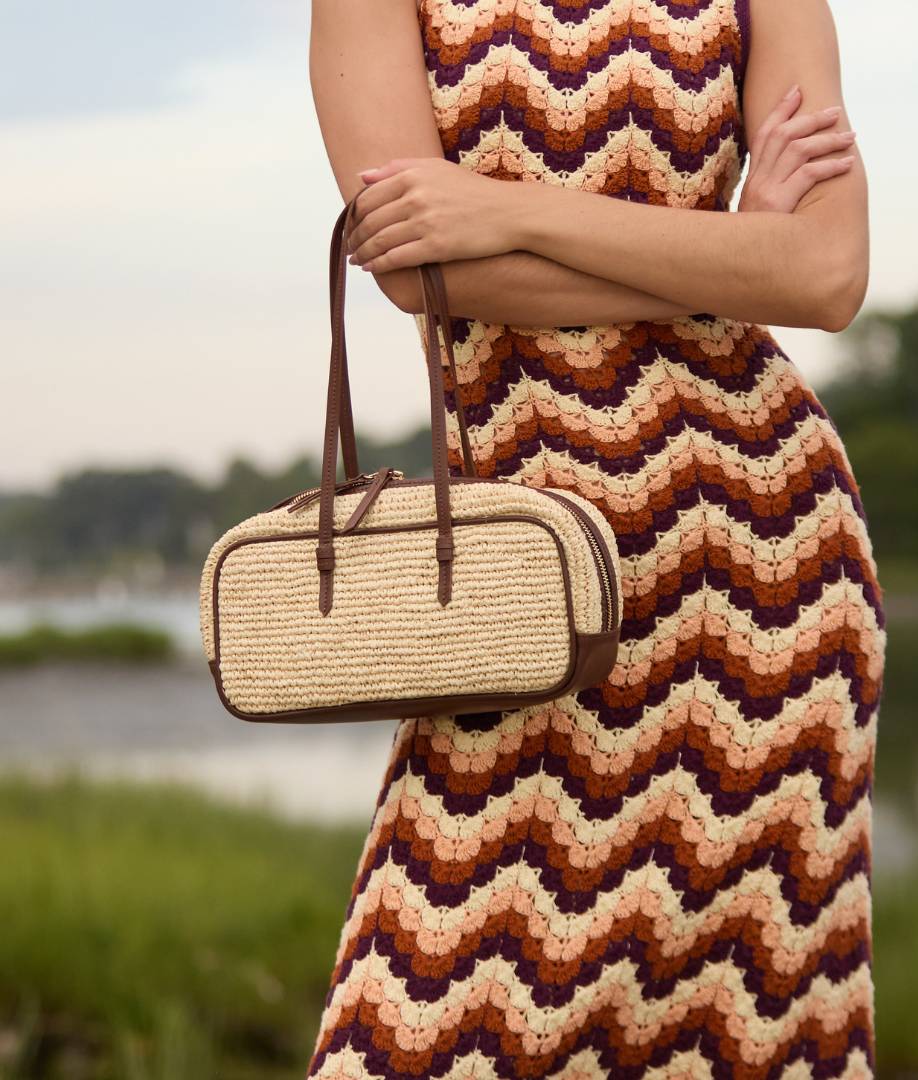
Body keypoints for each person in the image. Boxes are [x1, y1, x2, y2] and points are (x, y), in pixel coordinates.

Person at [305, 0, 885, 1075]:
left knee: (746, 1030)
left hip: (779, 568)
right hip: (521, 590)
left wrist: (495, 209)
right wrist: (728, 250)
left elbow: (825, 277)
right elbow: (417, 268)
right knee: (417, 1028)